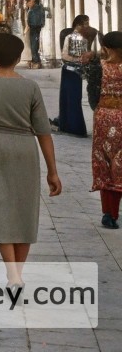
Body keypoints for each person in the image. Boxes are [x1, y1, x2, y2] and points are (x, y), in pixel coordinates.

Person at [0, 32, 61, 286]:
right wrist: (53, 171)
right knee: (24, 210)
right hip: (24, 148)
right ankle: (18, 274)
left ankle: (11, 273)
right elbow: (43, 131)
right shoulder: (30, 87)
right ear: (19, 58)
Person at [91, 31, 122, 229]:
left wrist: (100, 110)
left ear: (106, 47)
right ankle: (114, 210)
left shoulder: (98, 68)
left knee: (104, 162)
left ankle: (108, 213)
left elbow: (92, 95)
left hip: (103, 117)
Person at [53, 15, 98, 136]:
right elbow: (64, 55)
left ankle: (75, 126)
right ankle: (67, 125)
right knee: (67, 97)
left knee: (75, 98)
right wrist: (77, 59)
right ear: (78, 25)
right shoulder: (69, 37)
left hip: (78, 71)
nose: (87, 26)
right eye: (85, 24)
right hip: (69, 70)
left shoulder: (86, 37)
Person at [25, 0, 46, 68]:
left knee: (34, 45)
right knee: (33, 45)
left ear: (32, 2)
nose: (28, 4)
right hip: (34, 28)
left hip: (34, 28)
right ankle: (35, 60)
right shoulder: (33, 9)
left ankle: (36, 61)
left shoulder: (35, 10)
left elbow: (33, 21)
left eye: (28, 3)